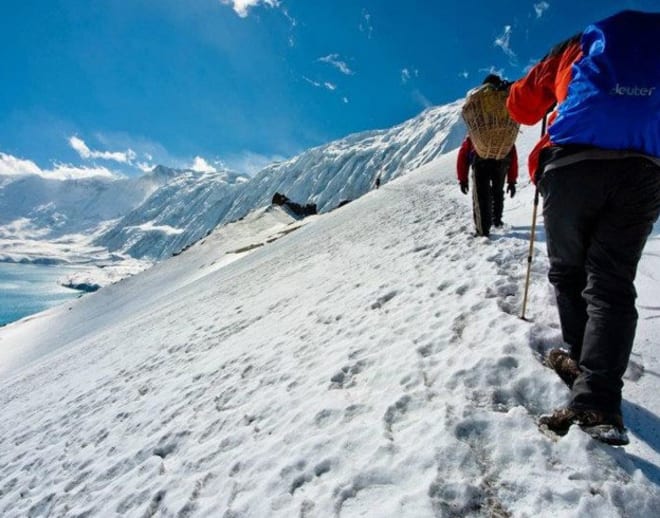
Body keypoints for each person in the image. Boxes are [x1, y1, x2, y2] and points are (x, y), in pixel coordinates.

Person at [506, 10, 660, 444]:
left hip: (573, 163)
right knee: (611, 282)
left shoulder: (570, 50)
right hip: (645, 171)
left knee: (569, 271)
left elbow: (520, 105)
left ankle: (577, 358)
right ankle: (599, 401)